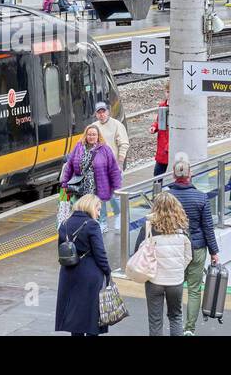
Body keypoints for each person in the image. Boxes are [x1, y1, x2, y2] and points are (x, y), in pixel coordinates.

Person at [168, 153, 219, 335]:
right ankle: (189, 329)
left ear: (174, 176)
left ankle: (175, 323)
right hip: (197, 248)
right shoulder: (201, 197)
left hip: (173, 249)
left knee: (175, 287)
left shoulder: (167, 198)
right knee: (195, 289)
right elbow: (208, 228)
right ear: (190, 175)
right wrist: (214, 252)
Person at [136, 191, 192, 336]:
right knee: (176, 317)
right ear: (176, 207)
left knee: (155, 320)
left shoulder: (148, 227)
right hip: (176, 281)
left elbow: (138, 252)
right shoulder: (183, 228)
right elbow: (188, 256)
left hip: (154, 279)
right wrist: (179, 269)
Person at [55, 194, 112, 336]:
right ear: (90, 207)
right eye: (98, 210)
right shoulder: (92, 225)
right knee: (92, 318)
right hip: (89, 275)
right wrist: (108, 272)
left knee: (76, 318)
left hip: (68, 274)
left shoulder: (64, 223)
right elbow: (100, 254)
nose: (98, 214)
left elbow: (61, 250)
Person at [60, 125, 122, 233]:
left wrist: (117, 186)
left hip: (99, 184)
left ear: (98, 136)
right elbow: (69, 165)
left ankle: (102, 223)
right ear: (85, 135)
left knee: (98, 206)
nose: (91, 136)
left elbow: (113, 168)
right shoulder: (79, 147)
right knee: (85, 207)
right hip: (82, 186)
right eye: (89, 134)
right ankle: (89, 225)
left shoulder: (105, 149)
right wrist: (65, 182)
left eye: (94, 134)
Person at [91, 101, 130, 223]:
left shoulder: (117, 125)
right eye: (99, 112)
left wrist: (120, 163)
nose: (101, 114)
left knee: (114, 195)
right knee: (99, 196)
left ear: (108, 112)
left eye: (103, 111)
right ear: (96, 114)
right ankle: (103, 221)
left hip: (113, 167)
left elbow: (124, 144)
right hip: (98, 168)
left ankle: (119, 215)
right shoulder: (94, 127)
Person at [150, 84, 170, 177]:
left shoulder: (180, 108)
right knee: (157, 175)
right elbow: (159, 120)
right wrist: (154, 127)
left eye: (171, 92)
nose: (169, 94)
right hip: (162, 148)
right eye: (167, 92)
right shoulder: (162, 105)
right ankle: (157, 191)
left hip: (171, 148)